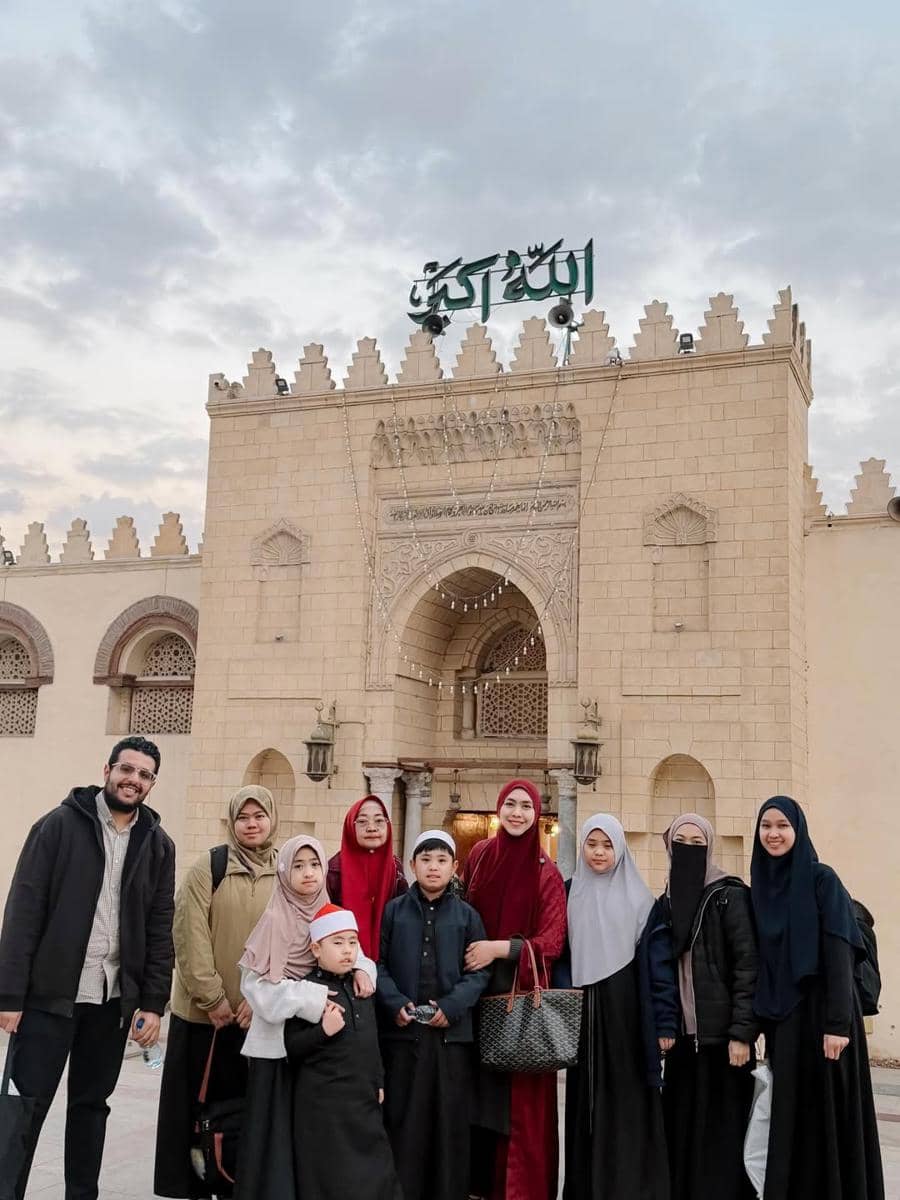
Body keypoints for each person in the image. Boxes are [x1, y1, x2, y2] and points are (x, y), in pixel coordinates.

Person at [0, 735, 175, 1200]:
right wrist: (10, 996)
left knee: (91, 1107)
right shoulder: (57, 827)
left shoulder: (158, 845)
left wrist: (153, 1003)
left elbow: (161, 928)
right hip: (49, 999)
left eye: (144, 774)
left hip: (112, 1002)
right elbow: (23, 911)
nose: (133, 779)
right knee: (27, 1107)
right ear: (107, 770)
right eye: (126, 769)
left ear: (152, 783)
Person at [751, 796, 884, 1199]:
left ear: (798, 830)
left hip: (826, 1021)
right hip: (786, 1024)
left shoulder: (822, 879)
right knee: (792, 1118)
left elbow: (840, 950)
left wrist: (837, 1024)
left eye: (782, 826)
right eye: (766, 826)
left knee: (830, 1119)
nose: (773, 834)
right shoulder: (761, 885)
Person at [233, 835, 377, 1200]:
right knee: (275, 1139)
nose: (308, 874)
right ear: (283, 872)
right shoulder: (273, 920)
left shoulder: (327, 911)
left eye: (314, 865)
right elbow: (259, 990)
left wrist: (363, 970)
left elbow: (347, 948)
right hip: (278, 1049)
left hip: (319, 1057)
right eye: (298, 866)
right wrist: (308, 997)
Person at [154, 784, 279, 1198]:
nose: (252, 824)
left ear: (272, 819)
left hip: (258, 1018)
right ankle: (196, 1184)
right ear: (232, 822)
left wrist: (256, 1000)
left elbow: (294, 941)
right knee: (197, 1112)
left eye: (259, 815)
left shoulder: (284, 870)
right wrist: (214, 999)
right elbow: (189, 937)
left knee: (246, 1112)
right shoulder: (210, 867)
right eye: (243, 817)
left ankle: (239, 1182)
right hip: (204, 1020)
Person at [461, 779, 567, 1200]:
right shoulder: (481, 856)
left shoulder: (547, 873)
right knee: (477, 1102)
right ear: (499, 808)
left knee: (518, 1111)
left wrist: (499, 949)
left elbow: (553, 941)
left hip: (519, 1004)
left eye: (526, 806)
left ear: (537, 813)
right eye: (510, 804)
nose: (518, 813)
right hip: (474, 996)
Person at [377, 830, 491, 1200]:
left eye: (441, 860)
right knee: (404, 1122)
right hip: (403, 1040)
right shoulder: (393, 913)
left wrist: (452, 1007)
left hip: (451, 1041)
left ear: (454, 867)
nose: (433, 867)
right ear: (412, 865)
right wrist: (394, 1003)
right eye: (425, 860)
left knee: (448, 1125)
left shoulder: (467, 916)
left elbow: (479, 972)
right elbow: (376, 964)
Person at [560, 814, 669, 1200]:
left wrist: (661, 1023)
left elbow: (656, 968)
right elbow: (562, 953)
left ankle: (628, 1186)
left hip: (627, 1011)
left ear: (620, 848)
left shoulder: (641, 899)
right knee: (586, 1100)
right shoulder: (570, 891)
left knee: (627, 1098)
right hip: (584, 1009)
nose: (599, 853)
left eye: (607, 845)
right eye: (592, 844)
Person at [656, 813, 758, 1200]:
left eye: (698, 843)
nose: (688, 849)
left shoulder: (729, 895)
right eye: (680, 840)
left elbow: (748, 967)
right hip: (683, 1041)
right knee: (683, 1130)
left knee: (722, 1134)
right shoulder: (665, 901)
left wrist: (742, 1033)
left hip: (723, 1042)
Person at [283, 903, 401, 1200]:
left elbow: (371, 1040)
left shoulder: (362, 987)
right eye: (337, 943)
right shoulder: (306, 990)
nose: (348, 950)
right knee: (331, 1178)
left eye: (352, 942)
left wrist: (379, 1080)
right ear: (316, 949)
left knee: (377, 1171)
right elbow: (291, 1048)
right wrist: (324, 1030)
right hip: (324, 1106)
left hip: (362, 1099)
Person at [327, 795, 408, 959]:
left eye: (379, 821)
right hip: (343, 961)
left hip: (388, 959)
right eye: (362, 821)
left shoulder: (395, 868)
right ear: (351, 826)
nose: (372, 828)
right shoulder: (334, 869)